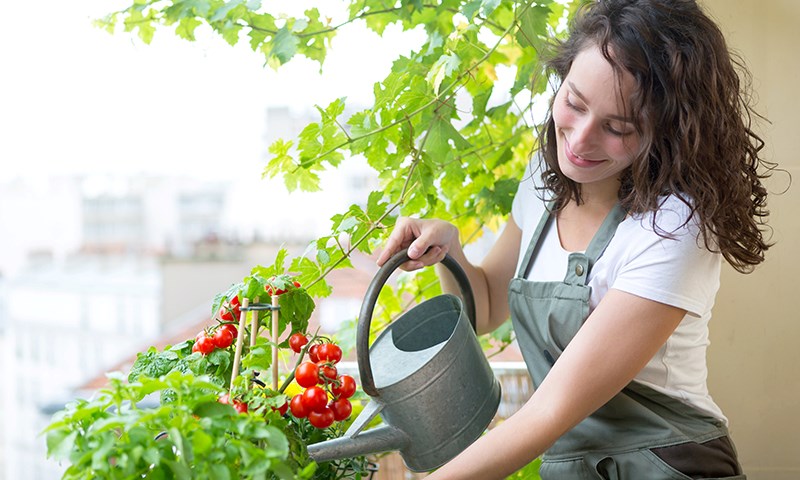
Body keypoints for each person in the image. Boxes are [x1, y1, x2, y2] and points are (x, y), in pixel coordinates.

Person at [376, 0, 774, 478]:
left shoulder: (676, 225)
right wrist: (449, 250)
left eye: (617, 128)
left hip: (666, 464)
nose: (581, 139)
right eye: (574, 103)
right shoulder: (543, 177)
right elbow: (483, 309)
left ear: (663, 132)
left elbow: (550, 411)